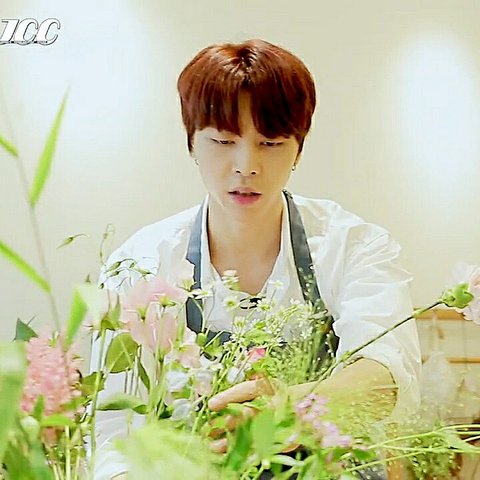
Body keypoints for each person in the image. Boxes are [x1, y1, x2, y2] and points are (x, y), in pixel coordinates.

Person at [91, 38, 421, 479]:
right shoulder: (142, 261)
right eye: (223, 140)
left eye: (270, 143)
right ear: (191, 143)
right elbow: (114, 430)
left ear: (299, 148)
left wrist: (287, 411)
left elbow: (386, 373)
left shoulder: (353, 245)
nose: (246, 165)